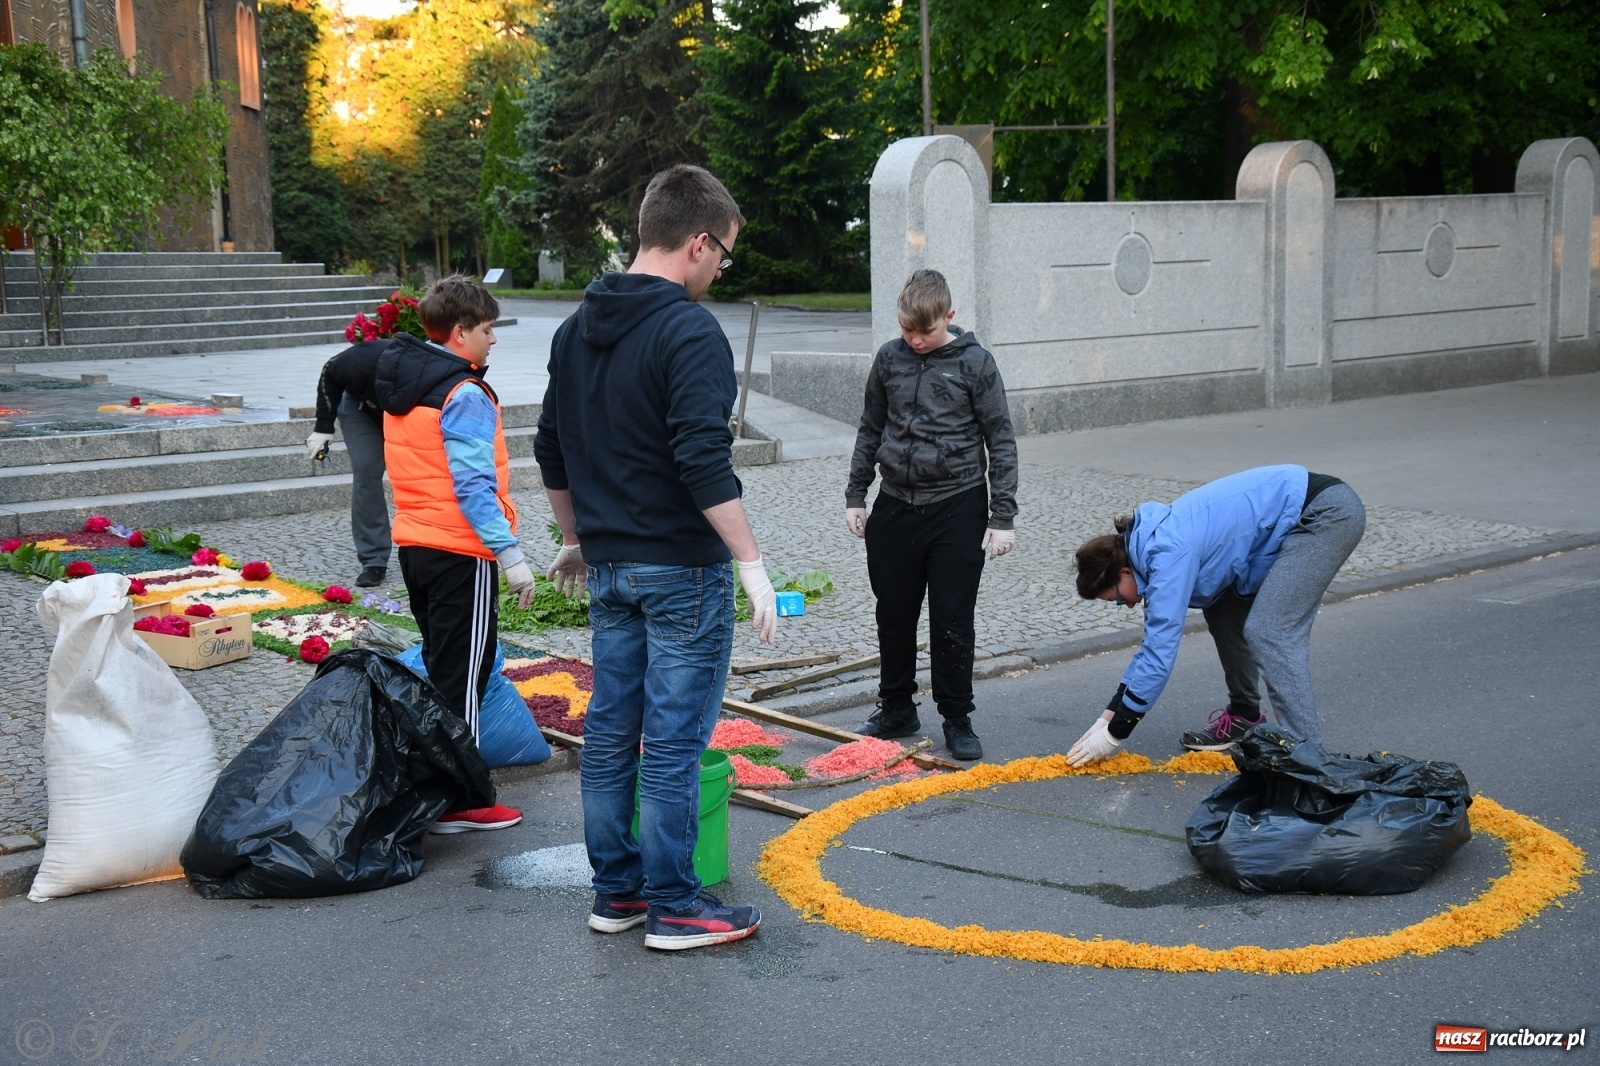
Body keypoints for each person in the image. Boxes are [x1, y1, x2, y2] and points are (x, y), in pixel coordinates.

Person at [534, 164, 777, 951]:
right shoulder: (687, 329)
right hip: (681, 566)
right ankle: (675, 906)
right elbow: (704, 459)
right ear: (698, 241)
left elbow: (549, 448)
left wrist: (573, 540)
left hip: (610, 566)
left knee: (611, 734)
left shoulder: (575, 328)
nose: (719, 270)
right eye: (724, 255)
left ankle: (618, 893)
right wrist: (750, 562)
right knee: (672, 742)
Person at [1065, 464, 1366, 768]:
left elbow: (1159, 654)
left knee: (1270, 633)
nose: (1126, 604)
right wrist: (1107, 717)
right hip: (1294, 516)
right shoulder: (1150, 547)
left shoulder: (1167, 554)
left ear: (1124, 571)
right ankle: (1244, 716)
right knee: (1222, 607)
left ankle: (1307, 759)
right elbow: (1150, 647)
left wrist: (1116, 733)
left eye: (1117, 598)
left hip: (1324, 513)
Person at [374, 274, 534, 833]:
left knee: (446, 669)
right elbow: (472, 487)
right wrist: (510, 555)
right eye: (488, 329)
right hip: (460, 551)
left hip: (417, 544)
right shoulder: (464, 393)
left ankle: (434, 784)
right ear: (461, 332)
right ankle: (460, 799)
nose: (494, 340)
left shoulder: (407, 383)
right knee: (464, 676)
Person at [845, 269, 1018, 762]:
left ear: (950, 316)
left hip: (957, 505)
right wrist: (856, 494)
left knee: (952, 618)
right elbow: (870, 426)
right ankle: (897, 705)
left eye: (927, 331)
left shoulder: (976, 365)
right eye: (908, 331)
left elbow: (1000, 440)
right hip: (896, 504)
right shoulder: (888, 359)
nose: (917, 341)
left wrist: (1002, 516)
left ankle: (957, 717)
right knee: (893, 613)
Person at [305, 339, 392, 588]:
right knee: (366, 469)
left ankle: (429, 546)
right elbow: (329, 371)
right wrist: (323, 426)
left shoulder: (421, 368)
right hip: (361, 408)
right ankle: (374, 558)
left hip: (405, 413)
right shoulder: (358, 362)